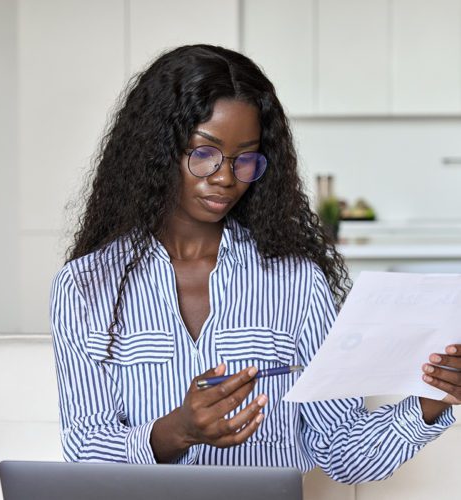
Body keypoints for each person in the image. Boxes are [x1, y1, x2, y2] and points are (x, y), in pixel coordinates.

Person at [50, 44, 459, 482]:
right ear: (156, 152)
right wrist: (177, 431)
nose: (226, 177)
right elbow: (87, 453)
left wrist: (431, 400)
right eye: (203, 154)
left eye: (245, 158)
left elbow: (343, 453)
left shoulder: (295, 282)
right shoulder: (85, 286)